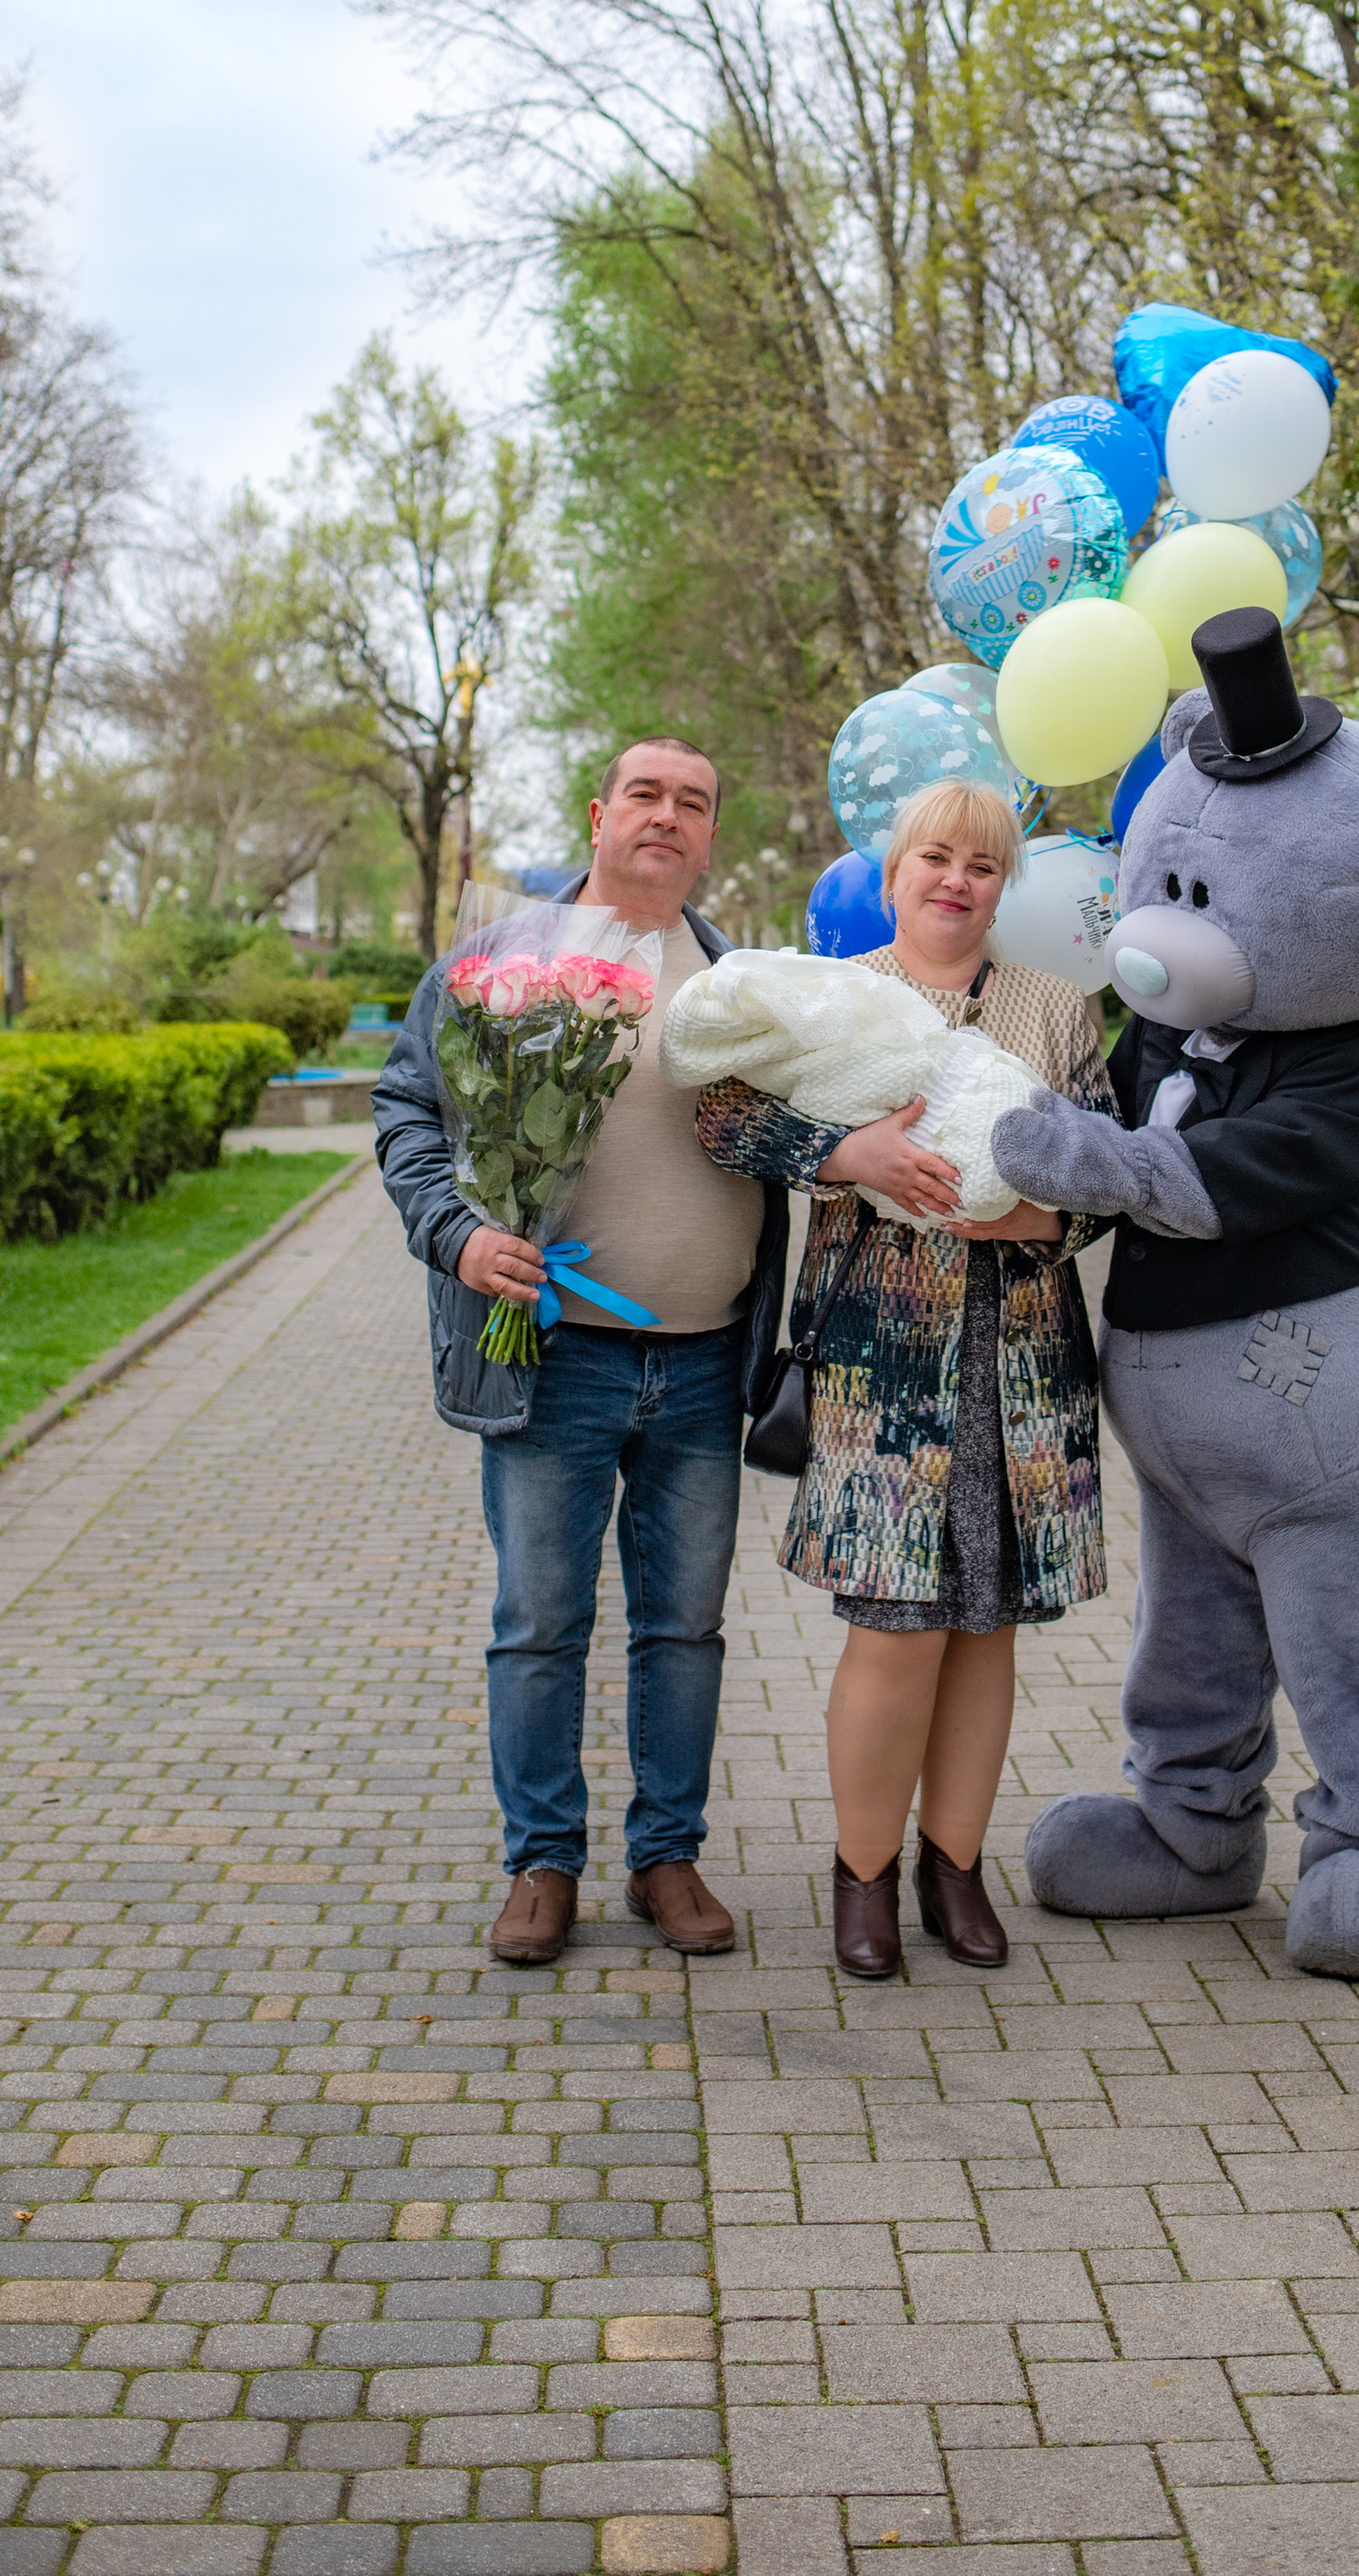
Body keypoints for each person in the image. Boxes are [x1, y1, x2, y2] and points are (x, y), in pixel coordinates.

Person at [373, 738, 788, 1971]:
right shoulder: (505, 963)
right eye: (647, 796)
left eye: (695, 802)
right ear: (602, 816)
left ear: (712, 833)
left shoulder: (740, 981)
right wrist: (454, 1236)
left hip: (707, 1361)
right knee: (540, 1622)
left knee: (686, 1626)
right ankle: (541, 1864)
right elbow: (406, 1107)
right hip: (555, 1359)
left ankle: (668, 1856)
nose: (669, 817)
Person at [693, 779, 1111, 1980]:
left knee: (986, 1629)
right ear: (892, 875)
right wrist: (839, 1150)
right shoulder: (837, 994)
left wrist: (1035, 1218)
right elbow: (718, 1121)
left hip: (1025, 1360)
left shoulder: (1055, 1006)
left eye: (982, 866)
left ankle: (956, 1868)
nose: (956, 881)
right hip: (884, 1359)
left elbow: (1109, 1159)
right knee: (894, 1631)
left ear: (1003, 885)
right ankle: (863, 1877)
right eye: (934, 858)